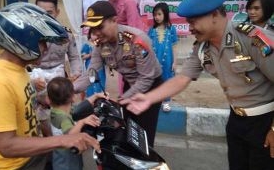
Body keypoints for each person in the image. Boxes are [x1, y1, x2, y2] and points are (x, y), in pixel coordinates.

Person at [121, 0, 274, 169]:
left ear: (215, 15)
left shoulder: (252, 38)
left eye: (193, 22)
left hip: (266, 123)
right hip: (236, 120)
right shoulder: (202, 48)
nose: (190, 28)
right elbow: (182, 78)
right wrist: (148, 98)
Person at [0, 3, 100, 170]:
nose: (46, 47)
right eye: (41, 41)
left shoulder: (19, 70)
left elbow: (29, 112)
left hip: (33, 157)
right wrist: (62, 140)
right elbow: (6, 145)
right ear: (22, 40)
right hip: (15, 166)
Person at [74, 1, 162, 147]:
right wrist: (71, 89)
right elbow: (92, 71)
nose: (95, 34)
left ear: (114, 20)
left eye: (100, 27)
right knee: (127, 130)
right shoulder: (100, 44)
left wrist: (122, 100)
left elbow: (146, 78)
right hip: (130, 85)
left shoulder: (137, 40)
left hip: (151, 87)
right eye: (92, 29)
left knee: (143, 136)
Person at [46, 77, 103, 170]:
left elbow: (79, 108)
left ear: (49, 99)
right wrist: (82, 122)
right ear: (73, 96)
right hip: (67, 164)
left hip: (61, 159)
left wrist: (95, 96)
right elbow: (70, 135)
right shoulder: (62, 118)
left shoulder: (58, 110)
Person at [35, 0, 82, 81]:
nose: (45, 17)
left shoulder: (66, 34)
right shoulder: (28, 34)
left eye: (49, 13)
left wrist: (76, 74)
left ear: (57, 12)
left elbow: (74, 57)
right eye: (40, 12)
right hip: (35, 78)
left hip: (59, 79)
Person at [148, 2, 178, 112]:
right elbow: (148, 47)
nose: (157, 17)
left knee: (166, 80)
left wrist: (175, 62)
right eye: (155, 15)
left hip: (167, 62)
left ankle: (166, 101)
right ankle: (155, 100)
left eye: (159, 14)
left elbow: (174, 47)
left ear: (165, 14)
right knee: (154, 80)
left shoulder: (172, 30)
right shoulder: (151, 30)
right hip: (154, 62)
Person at [81, 28, 106, 97]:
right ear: (90, 34)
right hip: (90, 67)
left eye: (97, 35)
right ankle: (91, 97)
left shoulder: (100, 44)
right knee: (91, 81)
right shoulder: (87, 44)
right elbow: (83, 57)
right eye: (93, 34)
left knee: (100, 81)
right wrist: (90, 55)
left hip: (100, 68)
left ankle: (100, 96)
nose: (95, 37)